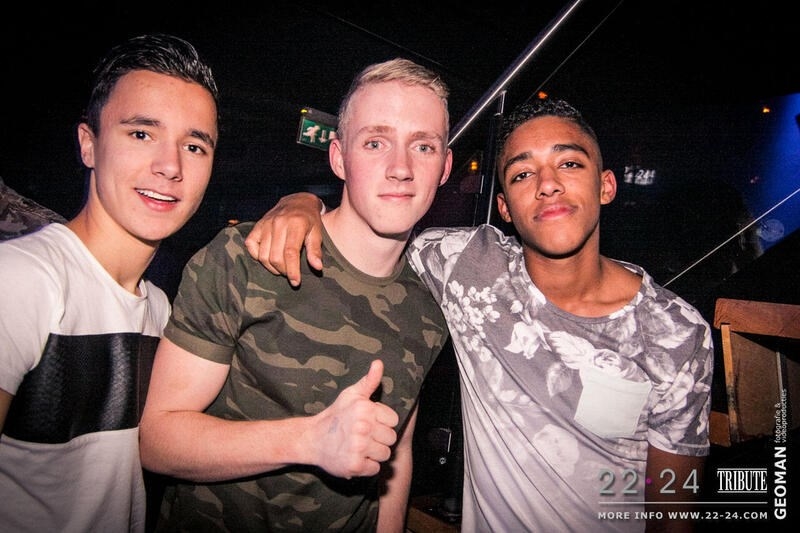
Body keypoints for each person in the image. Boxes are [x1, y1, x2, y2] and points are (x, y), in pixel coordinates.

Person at [246, 98, 715, 532]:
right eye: (522, 174)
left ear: (606, 186)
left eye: (569, 164)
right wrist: (303, 202)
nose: (548, 184)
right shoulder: (467, 267)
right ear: (504, 208)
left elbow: (672, 512)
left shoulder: (676, 334)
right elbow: (366, 232)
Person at [138, 57, 452, 532]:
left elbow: (397, 451)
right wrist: (310, 441)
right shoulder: (247, 258)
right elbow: (158, 440)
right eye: (375, 142)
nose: (400, 169)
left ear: (445, 167)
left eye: (423, 146)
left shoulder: (427, 308)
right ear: (339, 158)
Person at [0, 33, 220, 533]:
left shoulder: (160, 309)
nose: (170, 166)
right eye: (141, 134)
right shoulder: (23, 280)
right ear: (88, 144)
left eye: (194, 146)